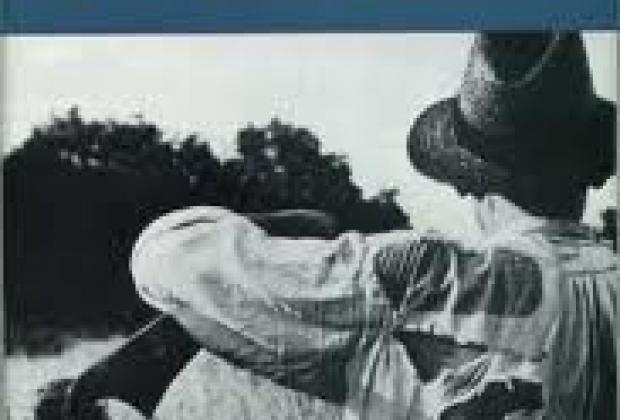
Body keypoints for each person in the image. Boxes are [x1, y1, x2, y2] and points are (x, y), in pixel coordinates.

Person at [43, 32, 616, 420]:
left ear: (467, 181)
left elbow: (168, 257)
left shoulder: (426, 277)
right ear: (590, 170)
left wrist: (292, 226)